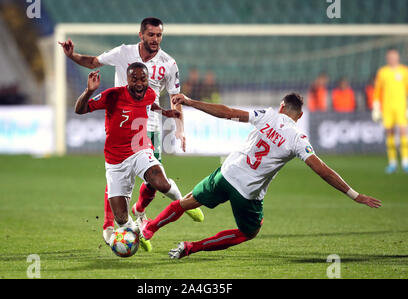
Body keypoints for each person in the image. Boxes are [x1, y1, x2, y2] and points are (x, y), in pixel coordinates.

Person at [140, 93, 382, 259]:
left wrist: (191, 101)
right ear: (299, 116)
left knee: (187, 201)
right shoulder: (298, 139)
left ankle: (148, 228)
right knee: (248, 232)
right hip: (248, 192)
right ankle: (189, 247)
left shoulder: (267, 114)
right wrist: (354, 194)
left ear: (281, 107)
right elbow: (322, 170)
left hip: (227, 172)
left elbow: (227, 113)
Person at [59, 18, 204, 245]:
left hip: (149, 128)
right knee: (119, 175)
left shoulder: (168, 63)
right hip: (119, 124)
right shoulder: (123, 53)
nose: (155, 40)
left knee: (155, 183)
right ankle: (116, 224)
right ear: (141, 35)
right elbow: (93, 61)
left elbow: (173, 99)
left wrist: (179, 128)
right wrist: (72, 57)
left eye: (159, 36)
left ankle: (151, 207)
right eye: (151, 35)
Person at [75, 63, 186, 250]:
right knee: (121, 218)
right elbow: (80, 110)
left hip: (139, 149)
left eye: (143, 79)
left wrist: (165, 112)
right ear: (127, 80)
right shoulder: (113, 95)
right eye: (134, 79)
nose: (139, 83)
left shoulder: (150, 93)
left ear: (147, 79)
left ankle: (184, 202)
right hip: (115, 160)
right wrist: (88, 91)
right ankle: (138, 233)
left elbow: (150, 104)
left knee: (161, 183)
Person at [372, 48, 408, 174]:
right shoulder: (382, 72)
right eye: (390, 57)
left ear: (397, 57)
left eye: (394, 56)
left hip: (401, 107)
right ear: (387, 58)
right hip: (387, 108)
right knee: (390, 133)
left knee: (403, 132)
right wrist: (376, 107)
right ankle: (392, 162)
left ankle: (405, 162)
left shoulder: (405, 71)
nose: (392, 59)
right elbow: (377, 91)